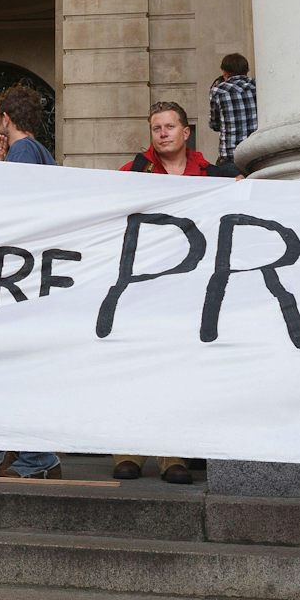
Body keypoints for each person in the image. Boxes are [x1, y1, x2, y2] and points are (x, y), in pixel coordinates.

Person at [110, 101, 226, 484]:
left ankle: (172, 454)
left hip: (190, 289)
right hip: (143, 287)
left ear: (186, 131)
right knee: (136, 368)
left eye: (169, 126)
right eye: (156, 127)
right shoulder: (133, 172)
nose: (162, 133)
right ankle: (128, 451)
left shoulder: (211, 174)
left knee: (178, 370)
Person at [0, 84, 63, 481]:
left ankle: (33, 457)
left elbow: (13, 209)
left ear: (5, 119)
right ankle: (23, 455)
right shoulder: (39, 153)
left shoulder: (24, 152)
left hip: (20, 277)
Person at [207, 53, 258, 166]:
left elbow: (214, 125)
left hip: (230, 155)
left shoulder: (218, 90)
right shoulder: (257, 86)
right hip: (255, 151)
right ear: (246, 70)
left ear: (225, 72)